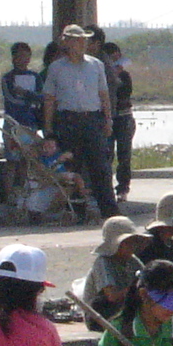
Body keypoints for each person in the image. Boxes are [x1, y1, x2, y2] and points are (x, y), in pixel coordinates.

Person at [42, 23, 118, 216]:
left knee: (100, 167)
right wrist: (48, 129)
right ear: (67, 42)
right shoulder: (56, 68)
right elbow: (49, 100)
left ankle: (109, 211)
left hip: (92, 119)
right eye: (77, 39)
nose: (82, 43)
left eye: (84, 39)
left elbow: (104, 95)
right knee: (72, 166)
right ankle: (77, 210)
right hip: (68, 120)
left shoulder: (96, 65)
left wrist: (108, 120)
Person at [84, 214, 149, 318]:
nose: (132, 246)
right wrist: (135, 290)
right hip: (99, 315)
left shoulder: (132, 261)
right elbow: (112, 296)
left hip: (122, 309)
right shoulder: (103, 262)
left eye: (134, 242)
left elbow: (146, 278)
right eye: (128, 243)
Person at [100, 40, 136, 201]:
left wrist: (117, 76)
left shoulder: (125, 75)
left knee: (124, 154)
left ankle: (123, 188)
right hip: (108, 118)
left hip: (123, 117)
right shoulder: (100, 74)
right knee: (106, 154)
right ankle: (105, 187)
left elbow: (125, 93)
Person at [0, 41, 44, 132]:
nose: (22, 59)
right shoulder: (7, 78)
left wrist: (26, 93)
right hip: (12, 121)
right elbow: (10, 99)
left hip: (31, 121)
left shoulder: (35, 76)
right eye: (19, 56)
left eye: (25, 56)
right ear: (13, 58)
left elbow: (42, 96)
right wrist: (30, 102)